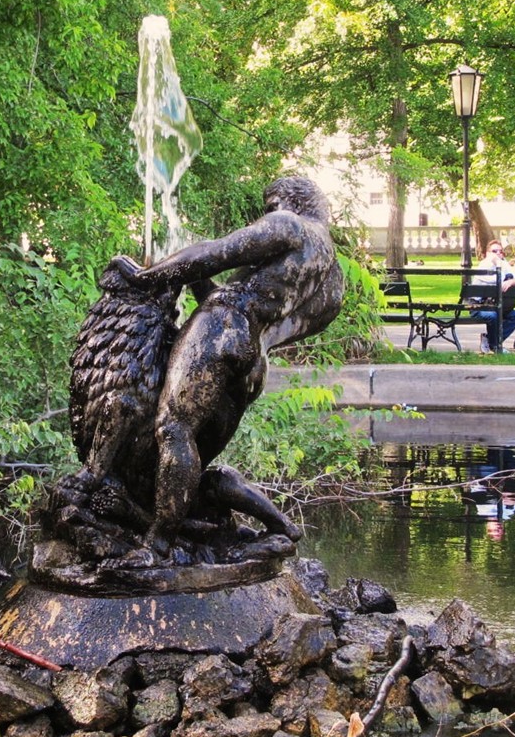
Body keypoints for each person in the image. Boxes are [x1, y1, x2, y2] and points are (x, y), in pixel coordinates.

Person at [119, 176, 345, 552]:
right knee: (193, 451)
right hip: (253, 358)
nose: (269, 212)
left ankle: (157, 545)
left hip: (223, 325)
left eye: (271, 204)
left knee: (173, 429)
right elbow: (275, 320)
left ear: (291, 201)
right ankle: (269, 526)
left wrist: (147, 277)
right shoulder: (331, 272)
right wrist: (196, 281)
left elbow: (217, 253)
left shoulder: (290, 224)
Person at [472, 240, 515, 353]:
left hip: (496, 305)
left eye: (501, 251)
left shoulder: (503, 264)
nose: (498, 254)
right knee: (492, 315)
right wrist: (498, 264)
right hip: (478, 306)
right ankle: (495, 345)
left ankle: (491, 341)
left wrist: (512, 281)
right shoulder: (484, 265)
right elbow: (495, 280)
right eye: (494, 251)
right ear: (487, 253)